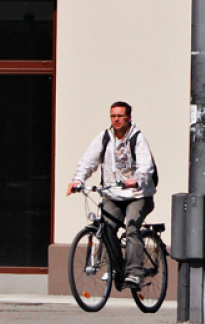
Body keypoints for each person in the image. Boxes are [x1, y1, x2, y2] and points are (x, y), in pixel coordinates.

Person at [67, 102, 157, 288]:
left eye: (120, 116)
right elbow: (88, 161)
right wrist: (78, 180)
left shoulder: (137, 138)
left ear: (129, 118)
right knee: (106, 228)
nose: (116, 119)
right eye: (113, 116)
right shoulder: (105, 138)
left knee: (132, 228)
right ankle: (117, 267)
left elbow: (146, 165)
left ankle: (134, 273)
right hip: (113, 194)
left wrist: (137, 179)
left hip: (138, 195)